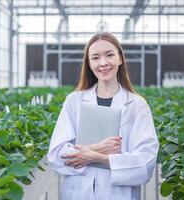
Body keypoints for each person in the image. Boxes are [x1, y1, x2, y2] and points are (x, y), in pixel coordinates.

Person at [47, 32, 159, 200]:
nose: (103, 63)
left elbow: (145, 163)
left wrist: (95, 157)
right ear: (89, 63)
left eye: (109, 55)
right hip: (78, 192)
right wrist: (99, 147)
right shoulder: (74, 101)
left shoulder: (137, 105)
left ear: (120, 59)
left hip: (119, 194)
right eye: (95, 57)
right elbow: (56, 155)